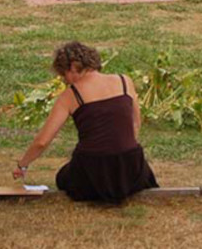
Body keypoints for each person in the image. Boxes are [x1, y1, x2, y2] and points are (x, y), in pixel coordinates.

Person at [13, 42, 158, 203]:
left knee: (63, 177)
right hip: (130, 165)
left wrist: (22, 165)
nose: (65, 80)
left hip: (92, 167)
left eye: (64, 74)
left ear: (74, 67)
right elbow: (135, 124)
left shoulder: (70, 95)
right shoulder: (125, 81)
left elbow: (42, 141)